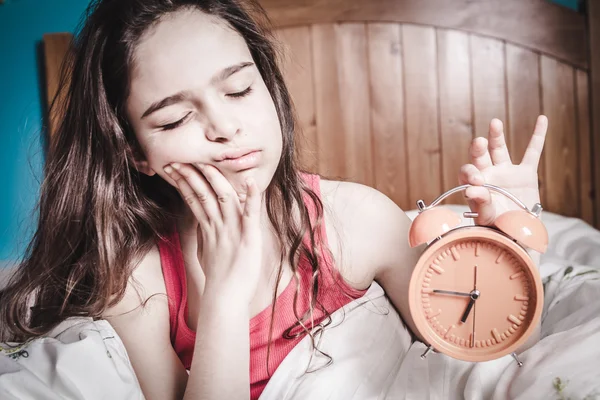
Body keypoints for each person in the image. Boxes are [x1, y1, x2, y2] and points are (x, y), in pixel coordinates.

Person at [0, 0, 548, 399]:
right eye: (174, 118)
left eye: (239, 89)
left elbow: (480, 342)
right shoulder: (138, 279)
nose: (225, 128)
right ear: (137, 154)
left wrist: (513, 242)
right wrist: (224, 296)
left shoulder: (355, 220)